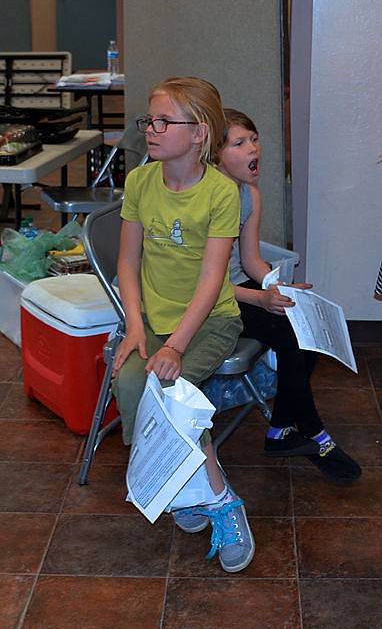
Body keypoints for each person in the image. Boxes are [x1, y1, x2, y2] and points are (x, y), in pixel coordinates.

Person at [111, 78, 255, 573]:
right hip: (150, 319)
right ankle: (180, 482)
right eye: (148, 120)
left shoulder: (222, 193)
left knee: (170, 393)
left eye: (163, 121)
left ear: (199, 133)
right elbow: (127, 265)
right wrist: (135, 329)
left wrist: (173, 346)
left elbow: (213, 281)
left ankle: (221, 499)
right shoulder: (139, 182)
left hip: (208, 321)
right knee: (132, 382)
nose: (150, 129)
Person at [215, 108, 361, 485]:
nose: (253, 148)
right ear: (215, 155)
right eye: (239, 142)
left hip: (240, 292)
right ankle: (310, 428)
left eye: (254, 139)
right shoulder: (204, 200)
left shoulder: (249, 195)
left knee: (304, 326)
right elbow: (203, 284)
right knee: (294, 338)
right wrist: (259, 300)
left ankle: (282, 429)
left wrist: (273, 287)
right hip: (213, 300)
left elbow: (250, 260)